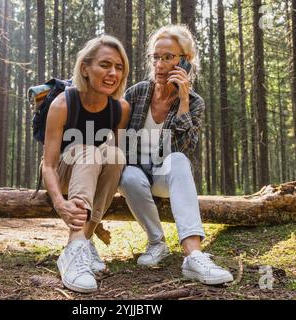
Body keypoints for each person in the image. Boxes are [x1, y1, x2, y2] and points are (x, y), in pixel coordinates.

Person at [119, 25, 234, 285]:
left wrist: (182, 100)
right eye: (156, 57)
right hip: (136, 173)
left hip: (166, 176)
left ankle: (194, 255)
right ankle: (156, 242)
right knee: (127, 175)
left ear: (185, 61)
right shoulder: (137, 93)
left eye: (168, 57)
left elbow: (183, 150)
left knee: (180, 160)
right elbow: (118, 138)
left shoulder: (194, 103)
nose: (160, 64)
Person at [43, 35, 131, 293]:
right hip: (62, 174)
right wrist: (60, 203)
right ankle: (76, 250)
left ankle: (80, 241)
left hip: (91, 174)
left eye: (119, 67)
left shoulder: (120, 109)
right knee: (87, 150)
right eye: (105, 65)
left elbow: (112, 164)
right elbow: (47, 165)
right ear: (85, 68)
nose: (113, 73)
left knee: (116, 156)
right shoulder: (63, 104)